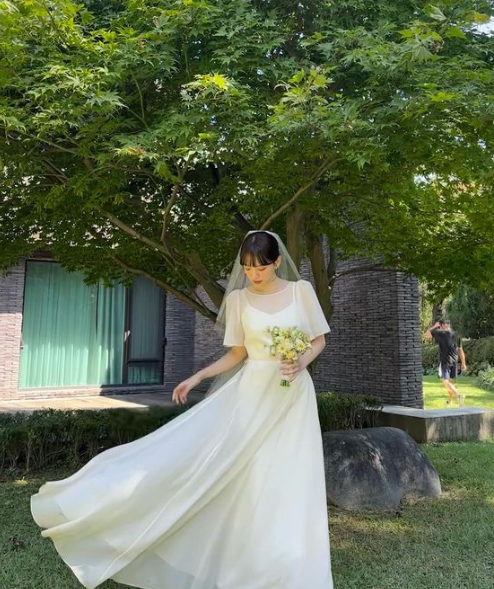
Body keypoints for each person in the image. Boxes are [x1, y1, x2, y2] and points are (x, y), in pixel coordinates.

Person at [30, 229, 334, 589]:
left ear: (278, 262)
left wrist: (300, 361)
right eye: (247, 268)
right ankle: (245, 558)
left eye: (261, 268)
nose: (254, 274)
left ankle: (291, 564)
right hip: (252, 394)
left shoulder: (301, 291)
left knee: (291, 473)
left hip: (293, 395)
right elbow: (238, 354)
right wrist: (198, 376)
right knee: (247, 473)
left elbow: (318, 339)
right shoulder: (238, 300)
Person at [425, 318, 467, 406]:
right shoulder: (456, 334)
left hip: (445, 361)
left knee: (446, 382)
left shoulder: (440, 333)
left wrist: (435, 326)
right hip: (454, 361)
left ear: (442, 325)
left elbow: (427, 334)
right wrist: (463, 363)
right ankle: (450, 401)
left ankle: (458, 395)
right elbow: (460, 350)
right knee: (450, 383)